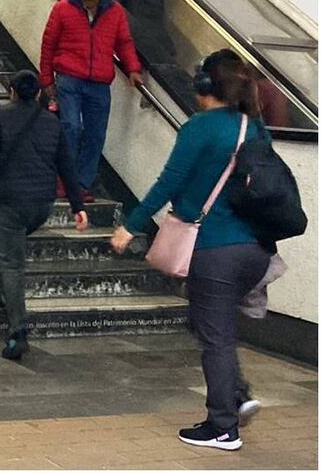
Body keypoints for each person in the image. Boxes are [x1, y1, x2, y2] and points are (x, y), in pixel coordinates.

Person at [110, 49, 273, 451]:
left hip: (215, 247)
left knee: (214, 335)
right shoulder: (254, 128)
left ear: (205, 87)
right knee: (212, 325)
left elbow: (169, 182)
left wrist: (131, 226)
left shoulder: (200, 128)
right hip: (254, 248)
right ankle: (235, 394)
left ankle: (222, 426)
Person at [0, 70, 88, 361]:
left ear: (11, 91)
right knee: (14, 251)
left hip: (11, 200)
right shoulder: (52, 123)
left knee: (12, 263)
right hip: (42, 204)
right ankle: (9, 296)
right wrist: (78, 206)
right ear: (38, 93)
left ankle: (18, 332)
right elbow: (66, 164)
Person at [39, 0, 144, 200]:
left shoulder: (115, 12)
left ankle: (81, 184)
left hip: (99, 82)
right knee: (71, 128)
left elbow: (124, 42)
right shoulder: (62, 9)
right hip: (69, 78)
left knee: (96, 134)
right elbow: (49, 44)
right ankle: (63, 180)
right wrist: (46, 78)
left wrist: (133, 68)